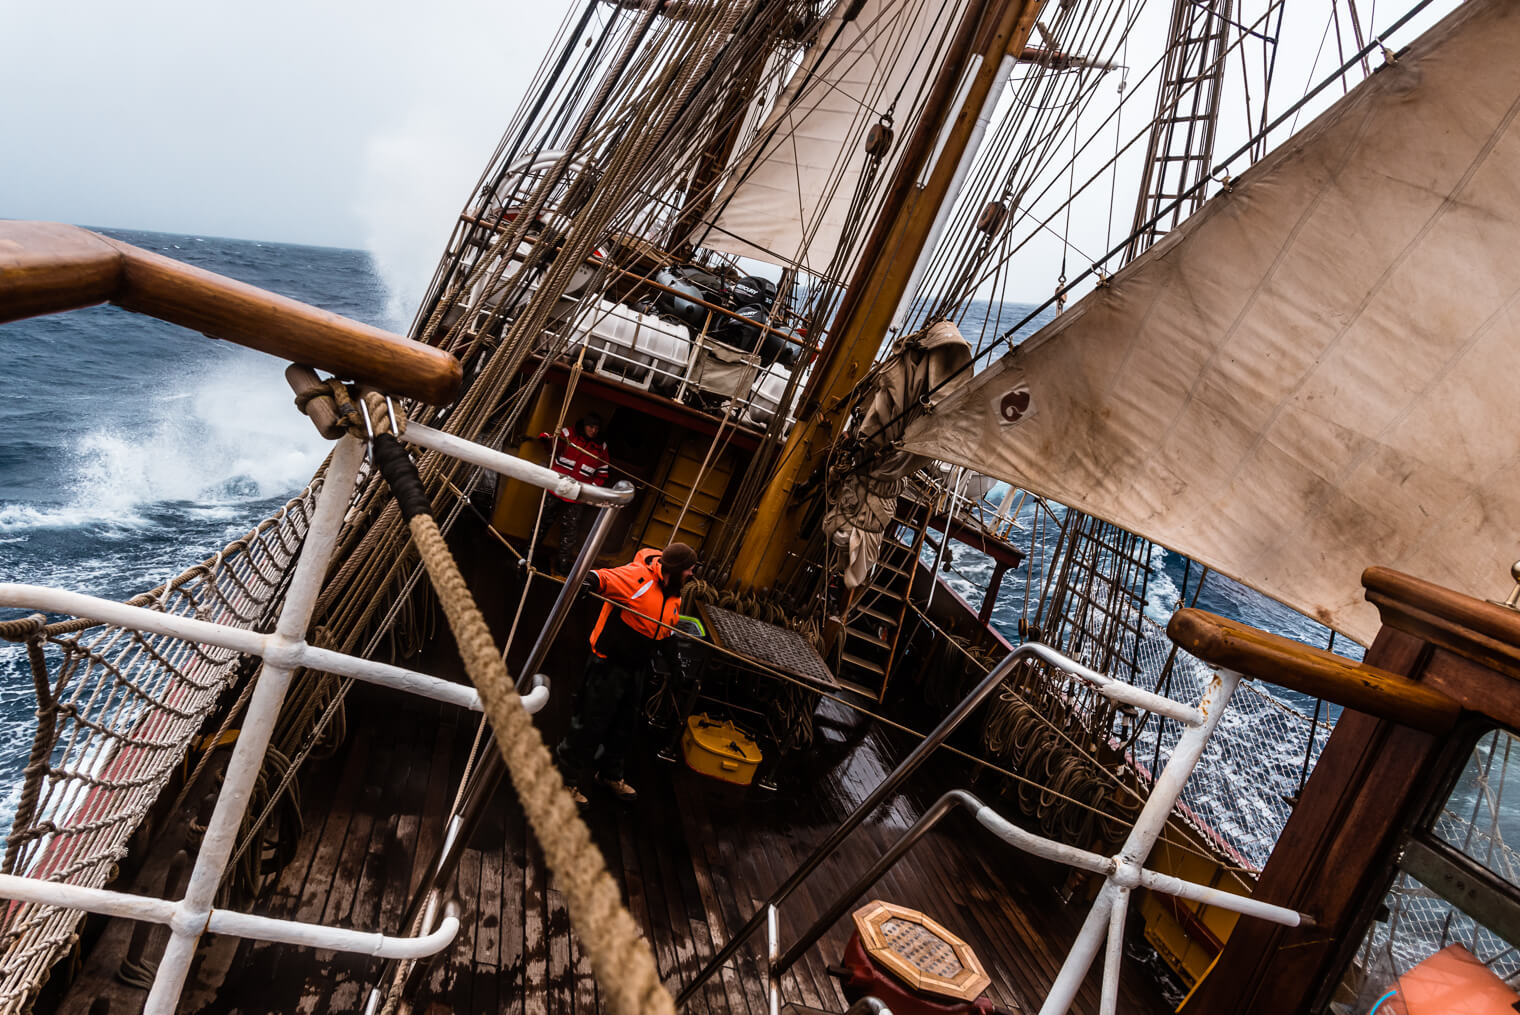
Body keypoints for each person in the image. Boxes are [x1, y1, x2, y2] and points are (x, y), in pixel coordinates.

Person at [556, 541, 699, 804]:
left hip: (637, 668)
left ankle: (610, 774)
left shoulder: (675, 593)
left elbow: (666, 632)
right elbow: (601, 578)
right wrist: (587, 582)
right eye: (689, 570)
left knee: (625, 726)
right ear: (676, 569)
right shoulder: (637, 577)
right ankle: (566, 780)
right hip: (608, 664)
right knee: (590, 722)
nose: (692, 575)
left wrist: (676, 666)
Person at [538, 413, 610, 575]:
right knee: (542, 523)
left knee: (569, 533)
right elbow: (553, 448)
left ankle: (562, 568)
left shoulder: (601, 448)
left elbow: (602, 474)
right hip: (555, 489)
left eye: (597, 428)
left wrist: (588, 490)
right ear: (584, 426)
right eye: (591, 427)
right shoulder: (568, 435)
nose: (594, 430)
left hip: (577, 496)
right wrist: (546, 439)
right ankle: (527, 555)